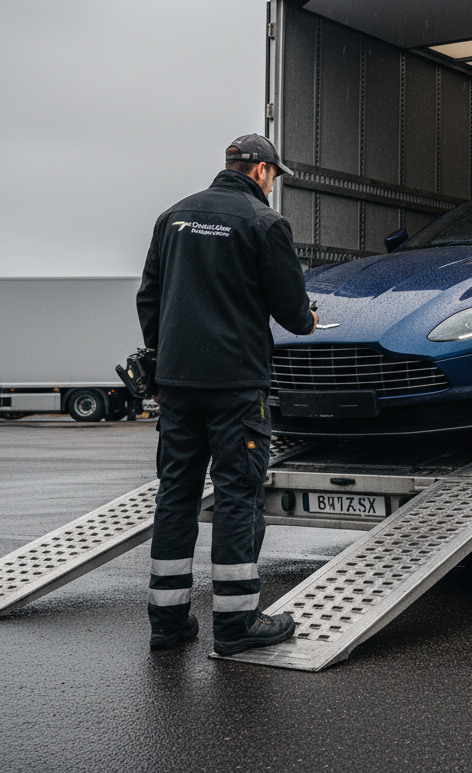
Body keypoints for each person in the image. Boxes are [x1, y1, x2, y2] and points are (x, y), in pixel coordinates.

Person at [137, 134, 318, 655]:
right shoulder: (264, 224)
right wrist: (308, 321)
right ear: (260, 170)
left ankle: (167, 623)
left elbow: (149, 296)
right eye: (274, 176)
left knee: (175, 496)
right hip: (236, 387)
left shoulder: (173, 216)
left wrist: (166, 352)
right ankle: (237, 625)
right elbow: (290, 309)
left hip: (175, 384)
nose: (273, 184)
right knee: (238, 497)